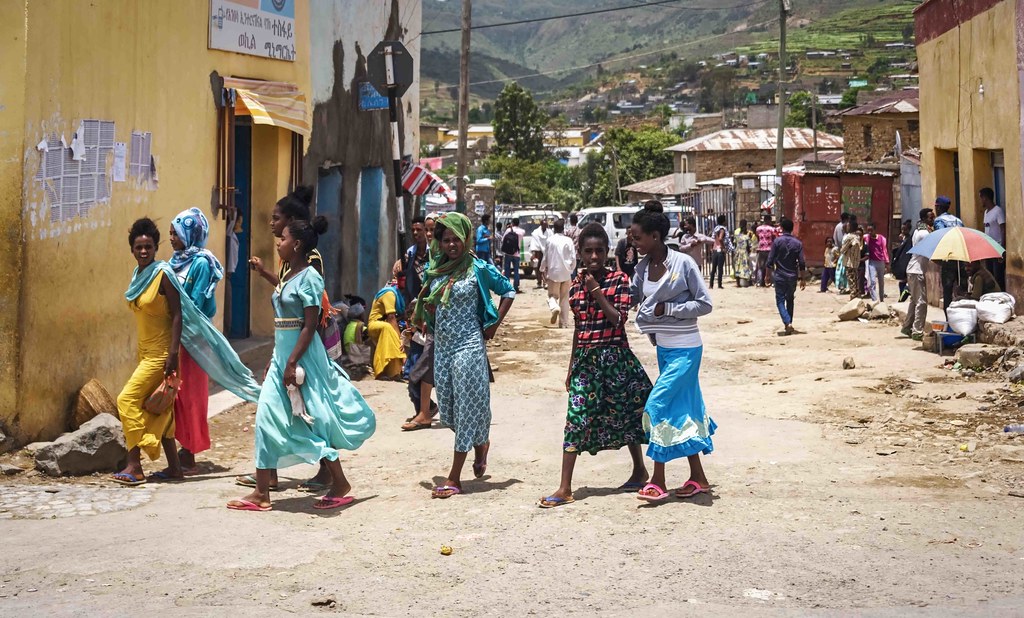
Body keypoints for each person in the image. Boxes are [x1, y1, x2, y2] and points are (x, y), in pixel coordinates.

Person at [228, 218, 375, 512]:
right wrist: (277, 359)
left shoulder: (310, 278)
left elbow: (309, 325)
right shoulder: (289, 275)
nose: (278, 242)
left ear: (296, 244)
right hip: (283, 358)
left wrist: (292, 362)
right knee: (267, 417)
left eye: (282, 238)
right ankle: (261, 492)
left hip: (302, 359)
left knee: (313, 420)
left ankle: (339, 483)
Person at [114, 219, 261, 487]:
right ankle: (175, 467)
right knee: (163, 410)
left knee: (126, 400)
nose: (144, 251)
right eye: (138, 247)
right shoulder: (139, 275)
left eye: (148, 247)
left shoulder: (163, 274)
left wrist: (173, 354)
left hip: (162, 354)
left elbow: (179, 314)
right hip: (144, 351)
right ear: (131, 249)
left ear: (155, 248)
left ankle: (135, 464)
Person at [538, 223, 652, 508]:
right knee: (575, 419)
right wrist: (571, 368)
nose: (594, 257)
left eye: (599, 251)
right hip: (587, 362)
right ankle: (565, 487)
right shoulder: (575, 285)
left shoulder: (619, 280)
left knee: (628, 415)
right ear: (579, 252)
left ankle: (640, 470)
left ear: (607, 251)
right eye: (588, 251)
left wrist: (597, 291)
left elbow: (618, 319)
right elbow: (579, 329)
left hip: (616, 359)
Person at [414, 212, 515, 499]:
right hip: (443, 347)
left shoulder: (477, 268)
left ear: (466, 238)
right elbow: (430, 299)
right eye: (446, 240)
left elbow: (508, 290)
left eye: (456, 239)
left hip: (469, 346)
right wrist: (427, 313)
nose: (451, 245)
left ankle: (454, 477)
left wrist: (494, 324)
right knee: (448, 411)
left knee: (466, 407)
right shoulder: (437, 268)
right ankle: (481, 444)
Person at [628, 201, 715, 502]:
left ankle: (657, 480)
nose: (634, 243)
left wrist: (670, 309)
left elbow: (705, 304)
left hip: (687, 350)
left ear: (655, 236)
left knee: (658, 407)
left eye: (638, 238)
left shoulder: (683, 263)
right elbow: (631, 298)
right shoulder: (641, 269)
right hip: (664, 351)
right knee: (682, 410)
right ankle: (698, 477)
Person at [166, 208, 224, 475]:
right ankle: (181, 448)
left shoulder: (200, 263)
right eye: (171, 233)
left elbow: (196, 303)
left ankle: (189, 454)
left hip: (194, 339)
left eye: (176, 233)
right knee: (175, 394)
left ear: (191, 234)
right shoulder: (175, 261)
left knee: (190, 395)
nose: (172, 238)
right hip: (176, 336)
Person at [767, 218, 806, 335]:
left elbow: (770, 260)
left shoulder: (777, 242)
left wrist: (767, 275)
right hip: (792, 276)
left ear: (782, 228)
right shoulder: (798, 243)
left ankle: (787, 322)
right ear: (792, 229)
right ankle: (789, 324)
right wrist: (803, 278)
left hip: (779, 275)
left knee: (780, 300)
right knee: (790, 299)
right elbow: (802, 262)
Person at [367, 267, 407, 380]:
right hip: (375, 324)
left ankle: (394, 372)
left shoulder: (399, 295)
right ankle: (380, 371)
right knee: (389, 329)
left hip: (388, 324)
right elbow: (391, 317)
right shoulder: (390, 293)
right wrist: (399, 338)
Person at [901, 208, 934, 341]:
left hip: (913, 269)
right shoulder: (924, 233)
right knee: (921, 302)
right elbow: (931, 251)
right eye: (931, 218)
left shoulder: (918, 230)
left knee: (914, 300)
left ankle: (907, 326)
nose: (933, 220)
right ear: (924, 219)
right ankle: (917, 330)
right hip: (917, 270)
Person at [933, 196, 966, 311]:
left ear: (938, 207)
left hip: (948, 259)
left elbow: (941, 236)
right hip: (961, 258)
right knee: (962, 289)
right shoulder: (958, 220)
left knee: (947, 291)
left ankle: (949, 317)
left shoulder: (939, 221)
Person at [542, 220, 577, 328]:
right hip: (566, 273)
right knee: (565, 298)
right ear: (563, 229)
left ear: (554, 229)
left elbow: (545, 257)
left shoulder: (550, 240)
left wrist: (542, 269)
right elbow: (573, 257)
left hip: (553, 273)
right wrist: (571, 269)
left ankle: (554, 307)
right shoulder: (568, 240)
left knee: (552, 296)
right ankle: (563, 323)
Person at [980, 187, 1006, 288]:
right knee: (990, 276)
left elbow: (1003, 229)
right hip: (988, 249)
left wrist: (1002, 249)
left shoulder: (998, 211)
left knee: (998, 277)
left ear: (985, 198)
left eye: (981, 198)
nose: (981, 201)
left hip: (997, 248)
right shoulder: (986, 213)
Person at [402, 216, 430, 305]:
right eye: (413, 230)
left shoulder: (433, 252)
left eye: (418, 230)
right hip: (414, 299)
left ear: (425, 231)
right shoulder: (410, 253)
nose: (415, 233)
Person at [862, 223, 889, 302]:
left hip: (881, 261)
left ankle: (881, 299)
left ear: (875, 230)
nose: (870, 232)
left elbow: (884, 250)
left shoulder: (881, 238)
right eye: (868, 230)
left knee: (881, 281)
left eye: (871, 230)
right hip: (872, 262)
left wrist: (887, 262)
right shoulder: (866, 237)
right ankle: (874, 300)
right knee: (872, 281)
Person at [838, 220, 863, 297]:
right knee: (855, 280)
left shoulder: (849, 237)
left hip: (849, 262)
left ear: (851, 227)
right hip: (855, 262)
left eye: (848, 226)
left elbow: (842, 250)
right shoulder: (857, 237)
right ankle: (857, 296)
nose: (847, 227)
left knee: (851, 281)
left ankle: (853, 297)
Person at [501, 217, 526, 293]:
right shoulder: (522, 231)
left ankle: (507, 287)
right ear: (519, 223)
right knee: (516, 271)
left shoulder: (508, 230)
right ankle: (516, 287)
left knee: (507, 270)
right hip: (517, 254)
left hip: (508, 253)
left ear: (512, 223)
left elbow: (503, 240)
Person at [891, 219, 914, 302]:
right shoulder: (904, 239)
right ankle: (902, 297)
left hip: (906, 262)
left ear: (909, 230)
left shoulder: (910, 240)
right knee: (902, 281)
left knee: (904, 281)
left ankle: (902, 298)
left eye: (905, 229)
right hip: (902, 262)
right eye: (902, 229)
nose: (903, 231)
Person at [708, 214, 732, 290]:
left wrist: (711, 248)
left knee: (713, 268)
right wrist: (724, 247)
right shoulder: (722, 229)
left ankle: (711, 285)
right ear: (723, 221)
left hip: (715, 250)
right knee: (720, 268)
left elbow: (712, 239)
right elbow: (721, 238)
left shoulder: (715, 229)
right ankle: (719, 285)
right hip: (720, 250)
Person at [755, 214, 778, 287]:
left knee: (760, 267)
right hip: (770, 249)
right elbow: (775, 238)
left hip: (761, 249)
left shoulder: (758, 229)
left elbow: (758, 237)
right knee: (771, 266)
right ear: (769, 220)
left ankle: (759, 282)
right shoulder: (772, 229)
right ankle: (773, 282)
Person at [530, 219, 554, 289]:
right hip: (539, 252)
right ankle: (539, 281)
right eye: (544, 224)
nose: (545, 226)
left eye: (546, 225)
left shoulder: (550, 232)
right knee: (539, 268)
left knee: (547, 267)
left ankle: (545, 282)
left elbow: (552, 241)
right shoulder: (536, 232)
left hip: (547, 252)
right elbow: (534, 243)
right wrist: (533, 253)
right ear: (541, 225)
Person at [733, 219, 756, 288]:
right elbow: (749, 247)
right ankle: (747, 281)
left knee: (737, 267)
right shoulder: (747, 237)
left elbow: (735, 244)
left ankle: (738, 283)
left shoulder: (737, 236)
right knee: (745, 267)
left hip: (737, 253)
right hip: (744, 254)